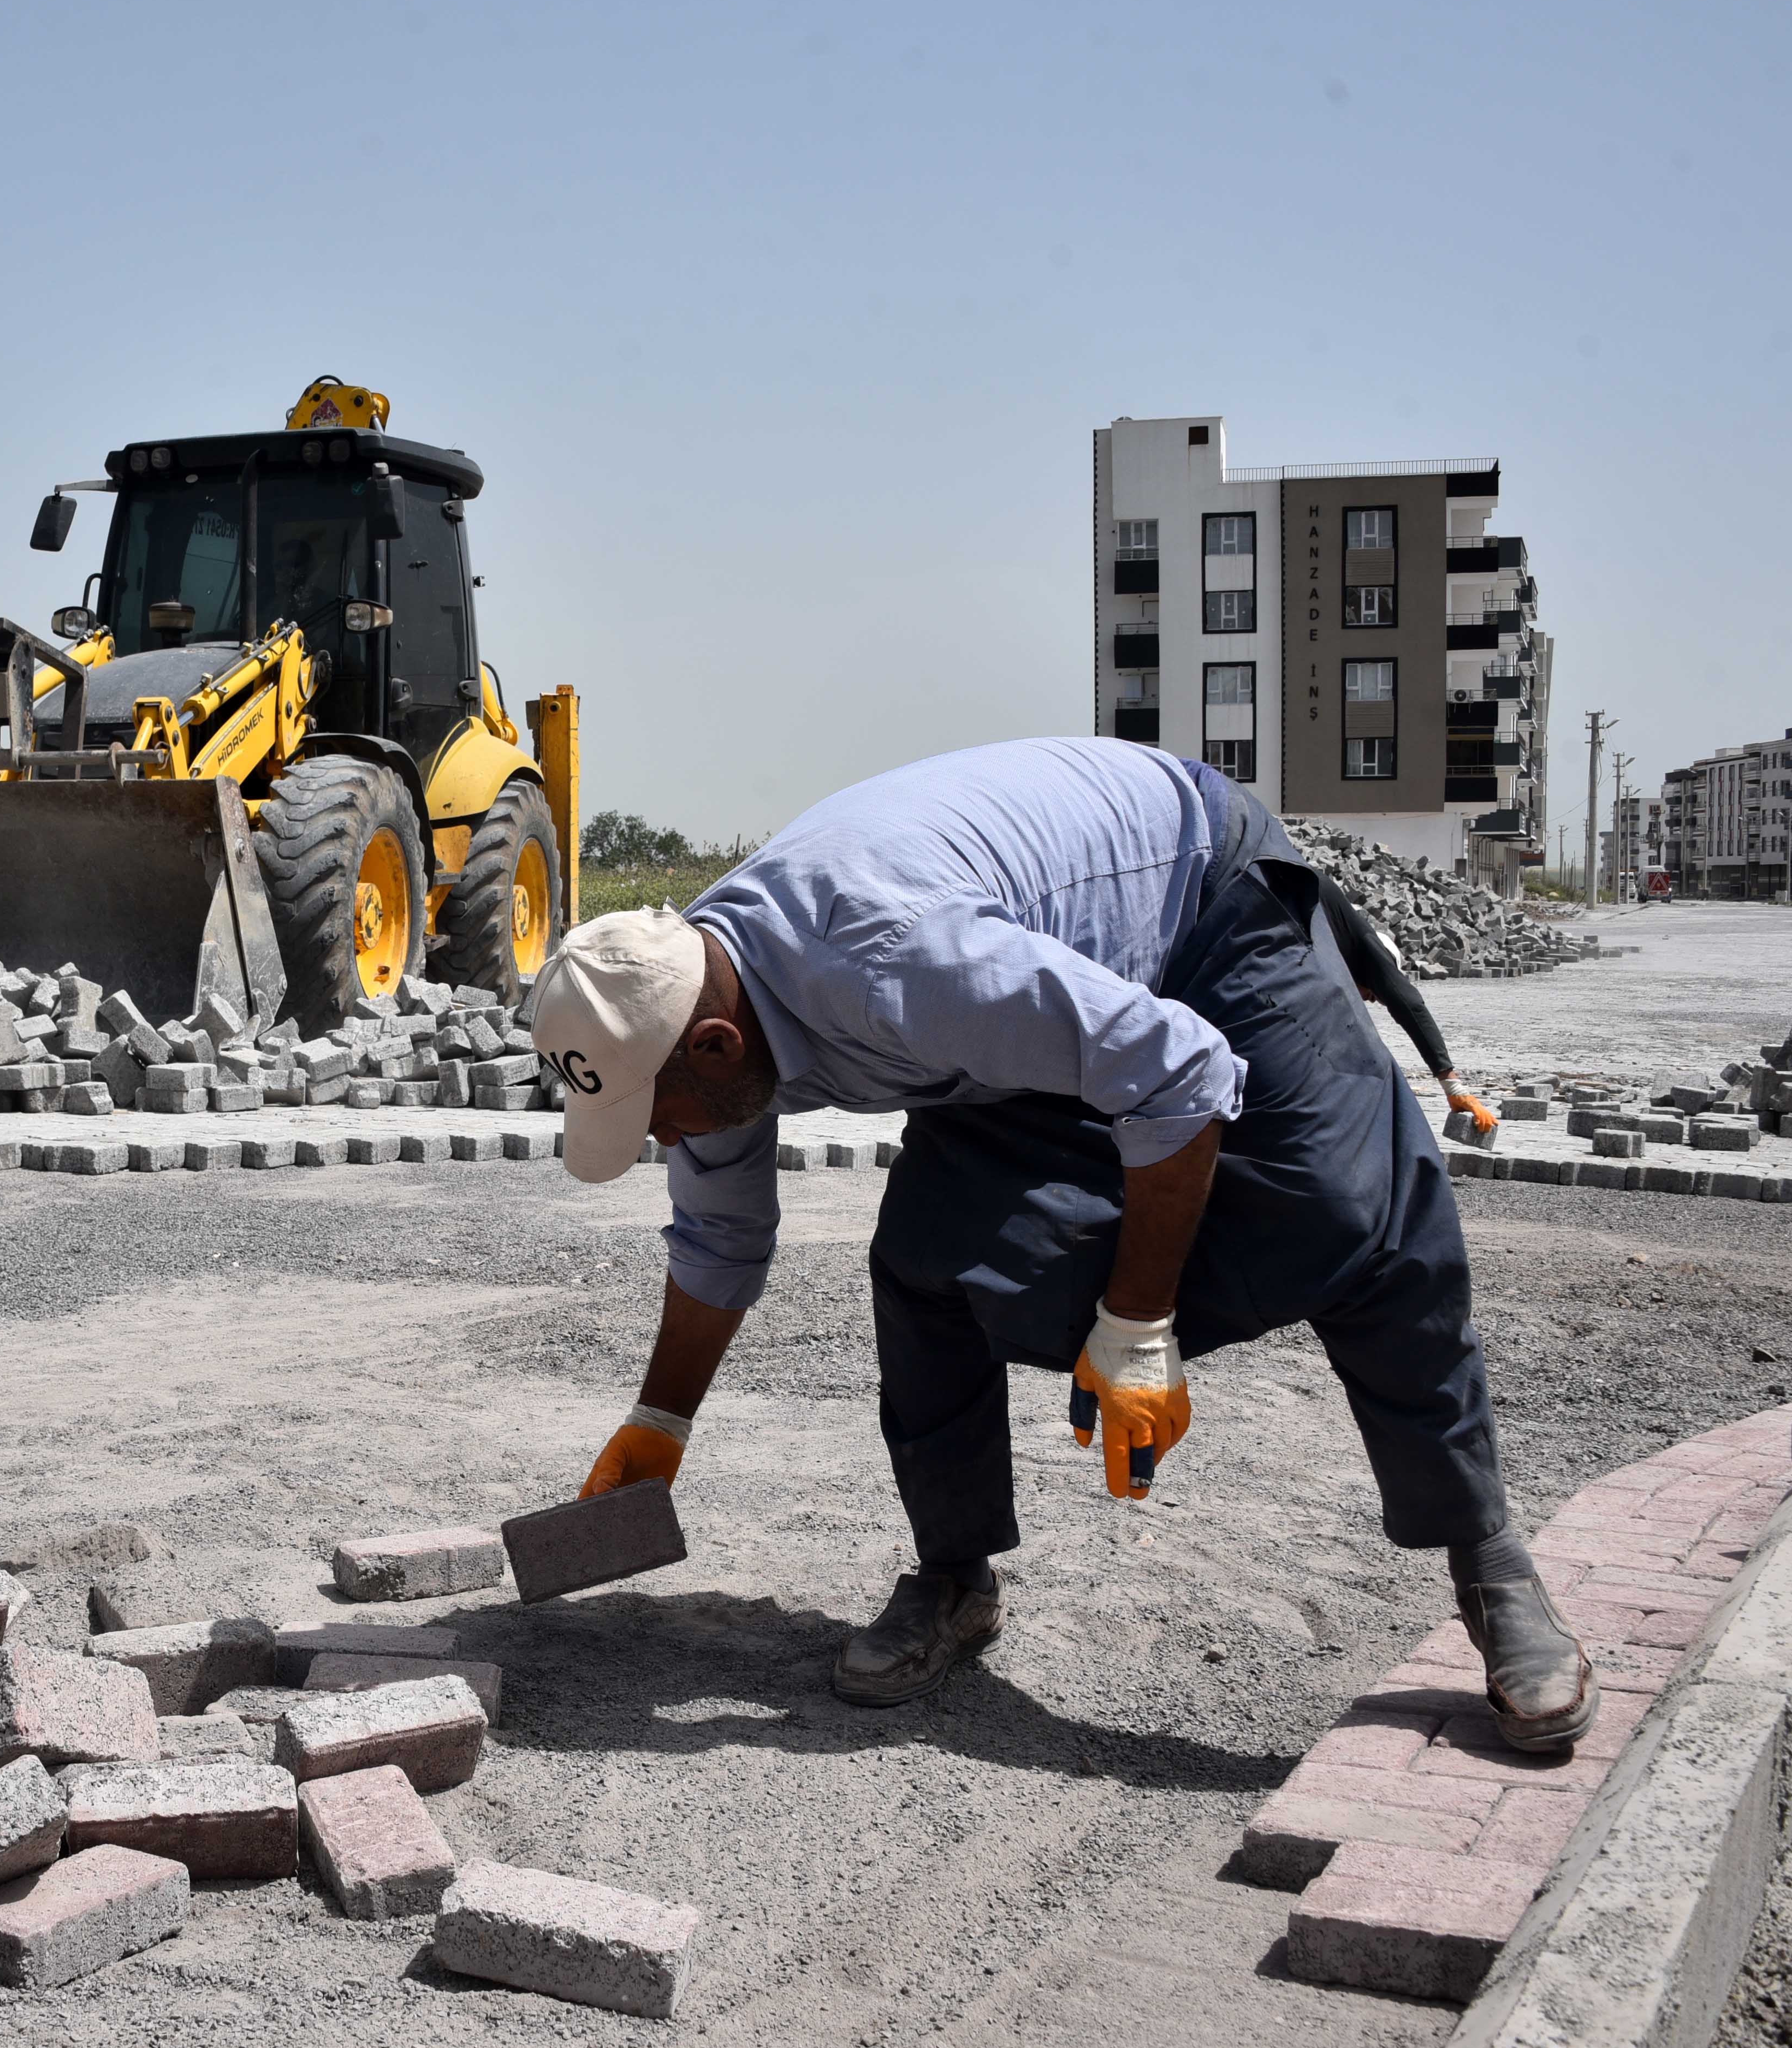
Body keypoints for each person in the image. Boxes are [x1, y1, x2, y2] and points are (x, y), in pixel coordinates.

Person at [529, 737, 1597, 1752]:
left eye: (656, 1117)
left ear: (714, 1046)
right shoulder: (691, 992)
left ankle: (1490, 1563)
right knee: (924, 1256)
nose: (660, 1141)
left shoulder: (898, 966)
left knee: (1340, 1210)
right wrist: (657, 1423)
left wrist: (1136, 1325)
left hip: (1195, 901)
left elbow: (1176, 1074)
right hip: (1035, 975)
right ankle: (953, 1578)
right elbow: (719, 1233)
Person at [1315, 880, 1495, 1141]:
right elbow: (1410, 1005)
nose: (1372, 1001)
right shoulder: (1367, 948)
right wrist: (1453, 1085)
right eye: (1376, 994)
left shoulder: (1331, 949)